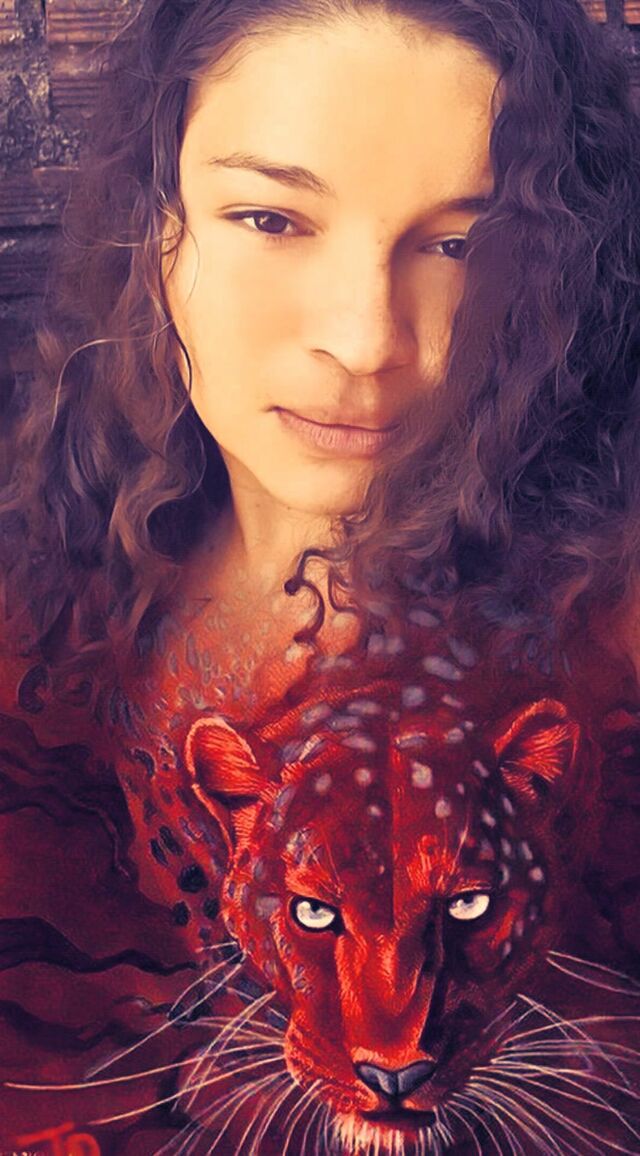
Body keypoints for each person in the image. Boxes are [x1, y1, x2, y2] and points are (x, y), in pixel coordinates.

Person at [0, 0, 638, 1150]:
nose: (366, 339)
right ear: (155, 226)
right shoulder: (27, 611)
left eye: (461, 244)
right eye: (270, 217)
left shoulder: (612, 654)